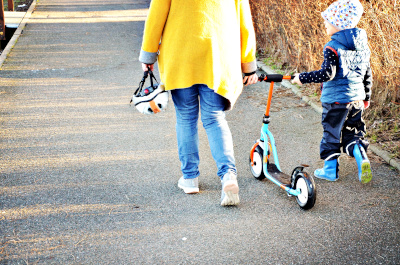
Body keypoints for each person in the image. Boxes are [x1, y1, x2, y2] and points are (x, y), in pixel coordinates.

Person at [139, 0, 258, 205]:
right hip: (218, 56)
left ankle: (190, 178)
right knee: (214, 118)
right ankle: (228, 175)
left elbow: (156, 15)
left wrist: (148, 54)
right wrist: (249, 65)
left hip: (180, 54)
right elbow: (244, 22)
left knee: (185, 117)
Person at [291, 0, 373, 184]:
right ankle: (361, 157)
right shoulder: (362, 46)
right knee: (353, 133)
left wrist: (302, 77)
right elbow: (367, 74)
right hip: (356, 99)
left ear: (339, 23)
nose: (325, 24)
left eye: (328, 20)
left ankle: (330, 171)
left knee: (331, 134)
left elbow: (327, 74)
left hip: (335, 101)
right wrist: (366, 96)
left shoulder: (332, 47)